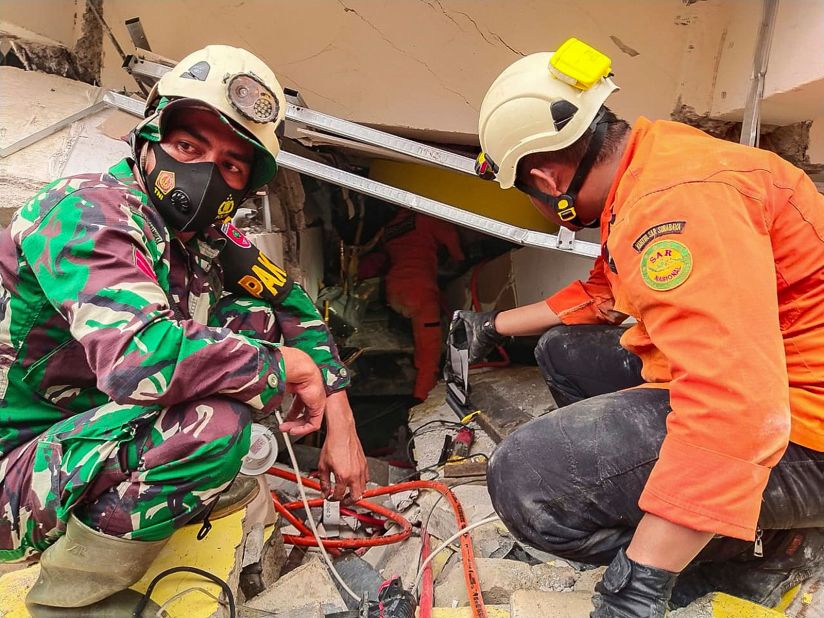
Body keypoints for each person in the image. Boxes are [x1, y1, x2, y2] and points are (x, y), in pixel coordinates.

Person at [453, 37, 824, 615]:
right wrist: (493, 325)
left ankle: (767, 547)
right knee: (563, 350)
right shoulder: (650, 163)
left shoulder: (674, 202)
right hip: (770, 376)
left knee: (528, 483)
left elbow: (738, 406)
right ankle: (694, 519)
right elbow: (603, 291)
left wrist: (637, 587)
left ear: (547, 180)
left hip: (802, 429)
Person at [0, 45, 367, 613]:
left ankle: (142, 498)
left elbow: (292, 307)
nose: (201, 173)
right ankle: (67, 599)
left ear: (243, 191)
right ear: (148, 141)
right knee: (215, 422)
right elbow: (138, 358)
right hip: (13, 467)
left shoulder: (206, 240)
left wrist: (340, 422)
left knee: (255, 320)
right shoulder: (89, 210)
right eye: (188, 147)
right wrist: (284, 367)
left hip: (82, 429)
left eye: (230, 165)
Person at [384, 209, 465, 402]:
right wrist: (459, 258)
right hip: (418, 291)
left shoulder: (391, 226)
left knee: (419, 332)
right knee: (429, 352)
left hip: (394, 289)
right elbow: (451, 237)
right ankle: (421, 399)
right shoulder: (425, 216)